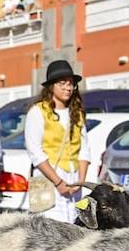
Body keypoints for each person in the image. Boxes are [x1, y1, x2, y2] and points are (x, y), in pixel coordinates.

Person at [23, 60, 90, 223]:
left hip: (73, 177)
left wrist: (80, 180)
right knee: (51, 230)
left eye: (71, 84)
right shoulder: (38, 112)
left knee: (74, 226)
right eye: (62, 83)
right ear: (51, 86)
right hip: (49, 177)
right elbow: (35, 152)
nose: (68, 88)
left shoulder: (77, 113)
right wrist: (58, 182)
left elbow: (84, 150)